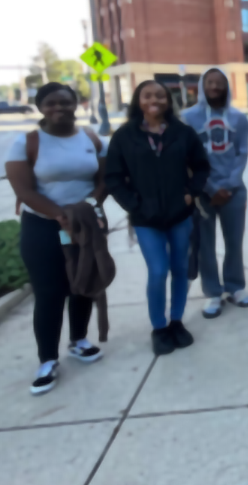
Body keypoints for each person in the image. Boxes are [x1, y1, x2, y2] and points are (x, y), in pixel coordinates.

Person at [5, 83, 105, 395]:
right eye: (51, 103)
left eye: (65, 102)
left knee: (83, 284)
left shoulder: (89, 137)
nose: (59, 108)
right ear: (41, 107)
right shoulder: (27, 142)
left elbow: (105, 177)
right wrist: (61, 215)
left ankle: (79, 340)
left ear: (76, 104)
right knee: (49, 293)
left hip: (86, 224)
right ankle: (47, 359)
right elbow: (24, 191)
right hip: (44, 227)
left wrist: (88, 206)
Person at [105, 80, 211, 355]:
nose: (155, 100)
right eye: (148, 95)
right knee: (158, 270)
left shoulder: (183, 133)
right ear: (138, 100)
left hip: (180, 214)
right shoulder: (124, 136)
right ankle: (159, 327)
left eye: (161, 95)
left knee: (179, 269)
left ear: (168, 101)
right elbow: (113, 177)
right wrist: (133, 204)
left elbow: (201, 167)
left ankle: (176, 321)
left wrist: (191, 193)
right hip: (145, 218)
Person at [182, 68, 248, 318]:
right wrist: (210, 187)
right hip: (202, 193)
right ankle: (212, 292)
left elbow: (243, 153)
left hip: (233, 191)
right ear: (202, 85)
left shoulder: (239, 118)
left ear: (227, 86)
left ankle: (235, 286)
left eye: (219, 83)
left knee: (234, 242)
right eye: (209, 82)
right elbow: (187, 157)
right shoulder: (188, 118)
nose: (214, 87)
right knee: (204, 246)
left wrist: (230, 185)